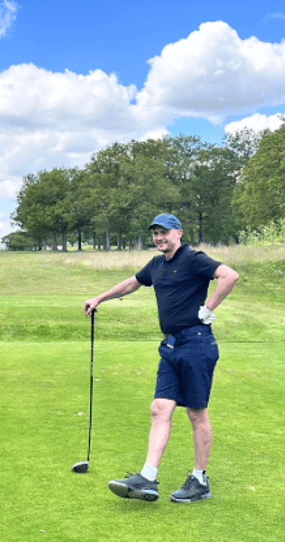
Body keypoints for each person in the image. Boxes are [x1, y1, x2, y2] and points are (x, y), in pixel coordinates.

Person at [83, 213, 239, 503]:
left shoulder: (194, 259)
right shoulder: (156, 264)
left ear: (179, 232)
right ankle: (147, 478)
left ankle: (199, 480)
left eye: (164, 232)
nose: (159, 238)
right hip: (169, 347)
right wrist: (100, 298)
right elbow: (133, 282)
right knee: (159, 408)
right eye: (155, 233)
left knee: (196, 413)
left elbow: (230, 275)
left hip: (196, 343)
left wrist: (208, 307)